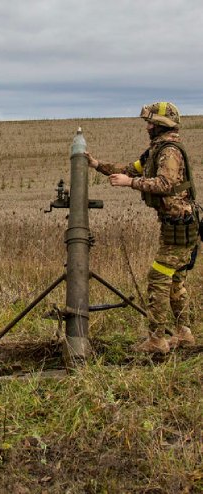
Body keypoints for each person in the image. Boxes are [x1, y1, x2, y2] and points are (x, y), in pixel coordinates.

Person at [86, 101, 198, 354]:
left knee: (159, 279)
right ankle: (184, 333)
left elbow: (165, 184)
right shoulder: (154, 152)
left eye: (150, 122)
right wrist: (97, 165)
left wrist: (131, 183)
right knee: (175, 280)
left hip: (179, 227)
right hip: (176, 226)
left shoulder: (168, 151)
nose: (147, 126)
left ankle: (157, 340)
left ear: (160, 125)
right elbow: (128, 169)